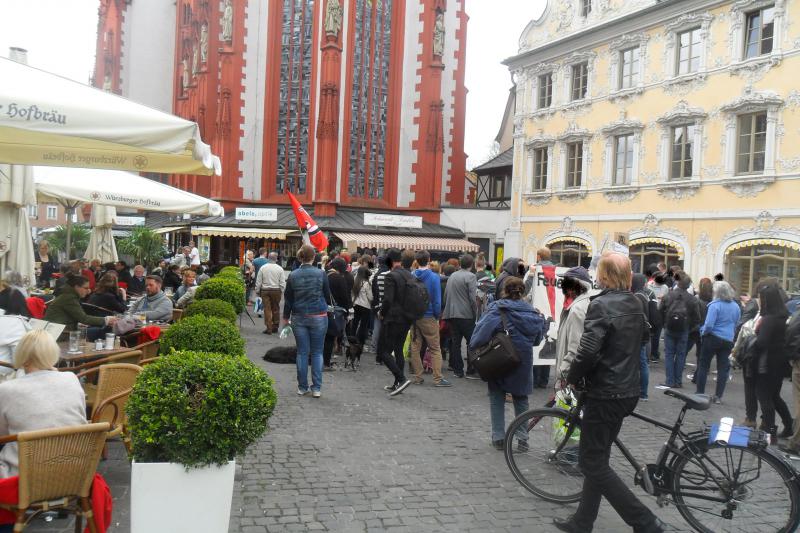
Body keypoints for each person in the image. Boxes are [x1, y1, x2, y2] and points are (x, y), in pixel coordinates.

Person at [555, 253, 665, 533]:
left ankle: (644, 521)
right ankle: (583, 521)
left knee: (591, 462)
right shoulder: (637, 302)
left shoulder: (601, 304)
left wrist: (572, 376)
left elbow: (588, 350)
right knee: (598, 456)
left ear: (602, 276)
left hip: (605, 392)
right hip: (627, 390)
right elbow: (644, 339)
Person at [0, 330, 88, 479]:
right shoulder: (71, 378)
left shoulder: (7, 389)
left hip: (24, 477)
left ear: (22, 355)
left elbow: (2, 433)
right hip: (74, 473)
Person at [471, 277, 545, 450]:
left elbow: (480, 335)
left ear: (504, 290)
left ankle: (498, 437)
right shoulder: (533, 312)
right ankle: (523, 439)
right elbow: (537, 340)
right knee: (521, 399)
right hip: (523, 360)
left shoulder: (497, 309)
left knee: (497, 396)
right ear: (523, 292)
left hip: (499, 357)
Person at [282, 245, 331, 398]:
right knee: (317, 352)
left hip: (299, 316)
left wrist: (285, 317)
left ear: (300, 257)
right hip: (319, 316)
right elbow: (327, 295)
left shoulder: (293, 275)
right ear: (313, 257)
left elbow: (288, 298)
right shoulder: (321, 274)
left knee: (302, 353)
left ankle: (302, 387)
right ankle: (316, 388)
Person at [749, 283, 793, 441]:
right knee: (775, 396)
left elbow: (762, 342)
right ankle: (788, 426)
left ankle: (769, 430)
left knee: (764, 396)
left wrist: (754, 334)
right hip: (779, 362)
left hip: (766, 363)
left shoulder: (769, 319)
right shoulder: (783, 315)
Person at [408, 250, 451, 387]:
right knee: (435, 348)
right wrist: (437, 315)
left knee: (415, 346)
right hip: (429, 315)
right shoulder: (434, 277)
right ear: (429, 260)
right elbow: (437, 300)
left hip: (415, 315)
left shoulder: (412, 275)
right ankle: (438, 378)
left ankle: (417, 376)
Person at [694, 281, 740, 403]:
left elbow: (709, 324)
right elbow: (736, 322)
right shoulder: (735, 306)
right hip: (728, 339)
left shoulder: (714, 305)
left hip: (713, 337)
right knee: (723, 369)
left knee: (704, 365)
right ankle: (718, 396)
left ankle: (700, 393)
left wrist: (702, 331)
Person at [378, 249, 415, 396]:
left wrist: (382, 313)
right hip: (406, 319)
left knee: (383, 351)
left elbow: (388, 300)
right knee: (398, 349)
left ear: (389, 261)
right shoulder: (409, 275)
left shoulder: (391, 276)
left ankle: (401, 378)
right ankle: (397, 383)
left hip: (393, 318)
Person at [658, 271, 699, 388]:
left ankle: (670, 381)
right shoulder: (692, 299)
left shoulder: (668, 295)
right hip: (684, 329)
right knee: (681, 355)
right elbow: (697, 318)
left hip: (669, 328)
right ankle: (678, 381)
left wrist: (664, 324)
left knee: (669, 354)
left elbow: (660, 311)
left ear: (677, 283)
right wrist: (688, 326)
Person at [44, 274, 116, 338]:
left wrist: (78, 323)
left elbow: (70, 316)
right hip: (60, 334)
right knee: (102, 332)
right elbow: (84, 318)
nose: (89, 291)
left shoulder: (67, 295)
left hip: (56, 331)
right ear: (76, 287)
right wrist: (106, 320)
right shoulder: (69, 298)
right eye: (86, 288)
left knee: (97, 330)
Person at [442, 254, 478, 379]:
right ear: (471, 264)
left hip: (452, 313)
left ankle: (458, 370)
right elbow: (473, 298)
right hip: (466, 314)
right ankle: (471, 369)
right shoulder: (471, 276)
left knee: (455, 343)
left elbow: (446, 295)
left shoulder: (452, 275)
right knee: (472, 342)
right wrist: (475, 313)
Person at [555, 267, 593, 379]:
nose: (564, 288)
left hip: (568, 376)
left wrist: (562, 373)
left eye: (567, 283)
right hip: (571, 374)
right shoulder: (577, 305)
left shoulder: (577, 309)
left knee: (566, 397)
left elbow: (576, 348)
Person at [323, 258, 352, 370]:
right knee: (331, 336)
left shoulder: (324, 275)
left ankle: (317, 359)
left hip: (321, 308)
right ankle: (326, 362)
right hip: (335, 311)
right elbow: (345, 296)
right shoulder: (339, 278)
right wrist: (347, 311)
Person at [632, 273, 655, 401]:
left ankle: (643, 392)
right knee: (643, 362)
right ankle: (642, 391)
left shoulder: (637, 297)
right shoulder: (644, 295)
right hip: (644, 333)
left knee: (641, 362)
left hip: (638, 334)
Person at [687, 277, 713, 382]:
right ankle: (698, 375)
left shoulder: (696, 298)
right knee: (701, 354)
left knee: (684, 350)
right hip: (706, 329)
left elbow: (693, 314)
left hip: (695, 328)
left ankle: (676, 375)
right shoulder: (713, 301)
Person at [255, 252, 287, 335]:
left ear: (268, 258)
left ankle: (269, 328)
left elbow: (259, 281)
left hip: (265, 290)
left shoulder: (263, 268)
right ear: (276, 259)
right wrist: (281, 291)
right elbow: (282, 282)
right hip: (276, 290)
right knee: (276, 308)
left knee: (267, 309)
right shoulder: (280, 268)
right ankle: (275, 327)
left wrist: (257, 290)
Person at [351, 265, 373, 345]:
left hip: (356, 304)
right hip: (365, 306)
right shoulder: (366, 283)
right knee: (363, 325)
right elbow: (370, 297)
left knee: (355, 323)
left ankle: (352, 339)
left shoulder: (355, 280)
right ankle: (360, 341)